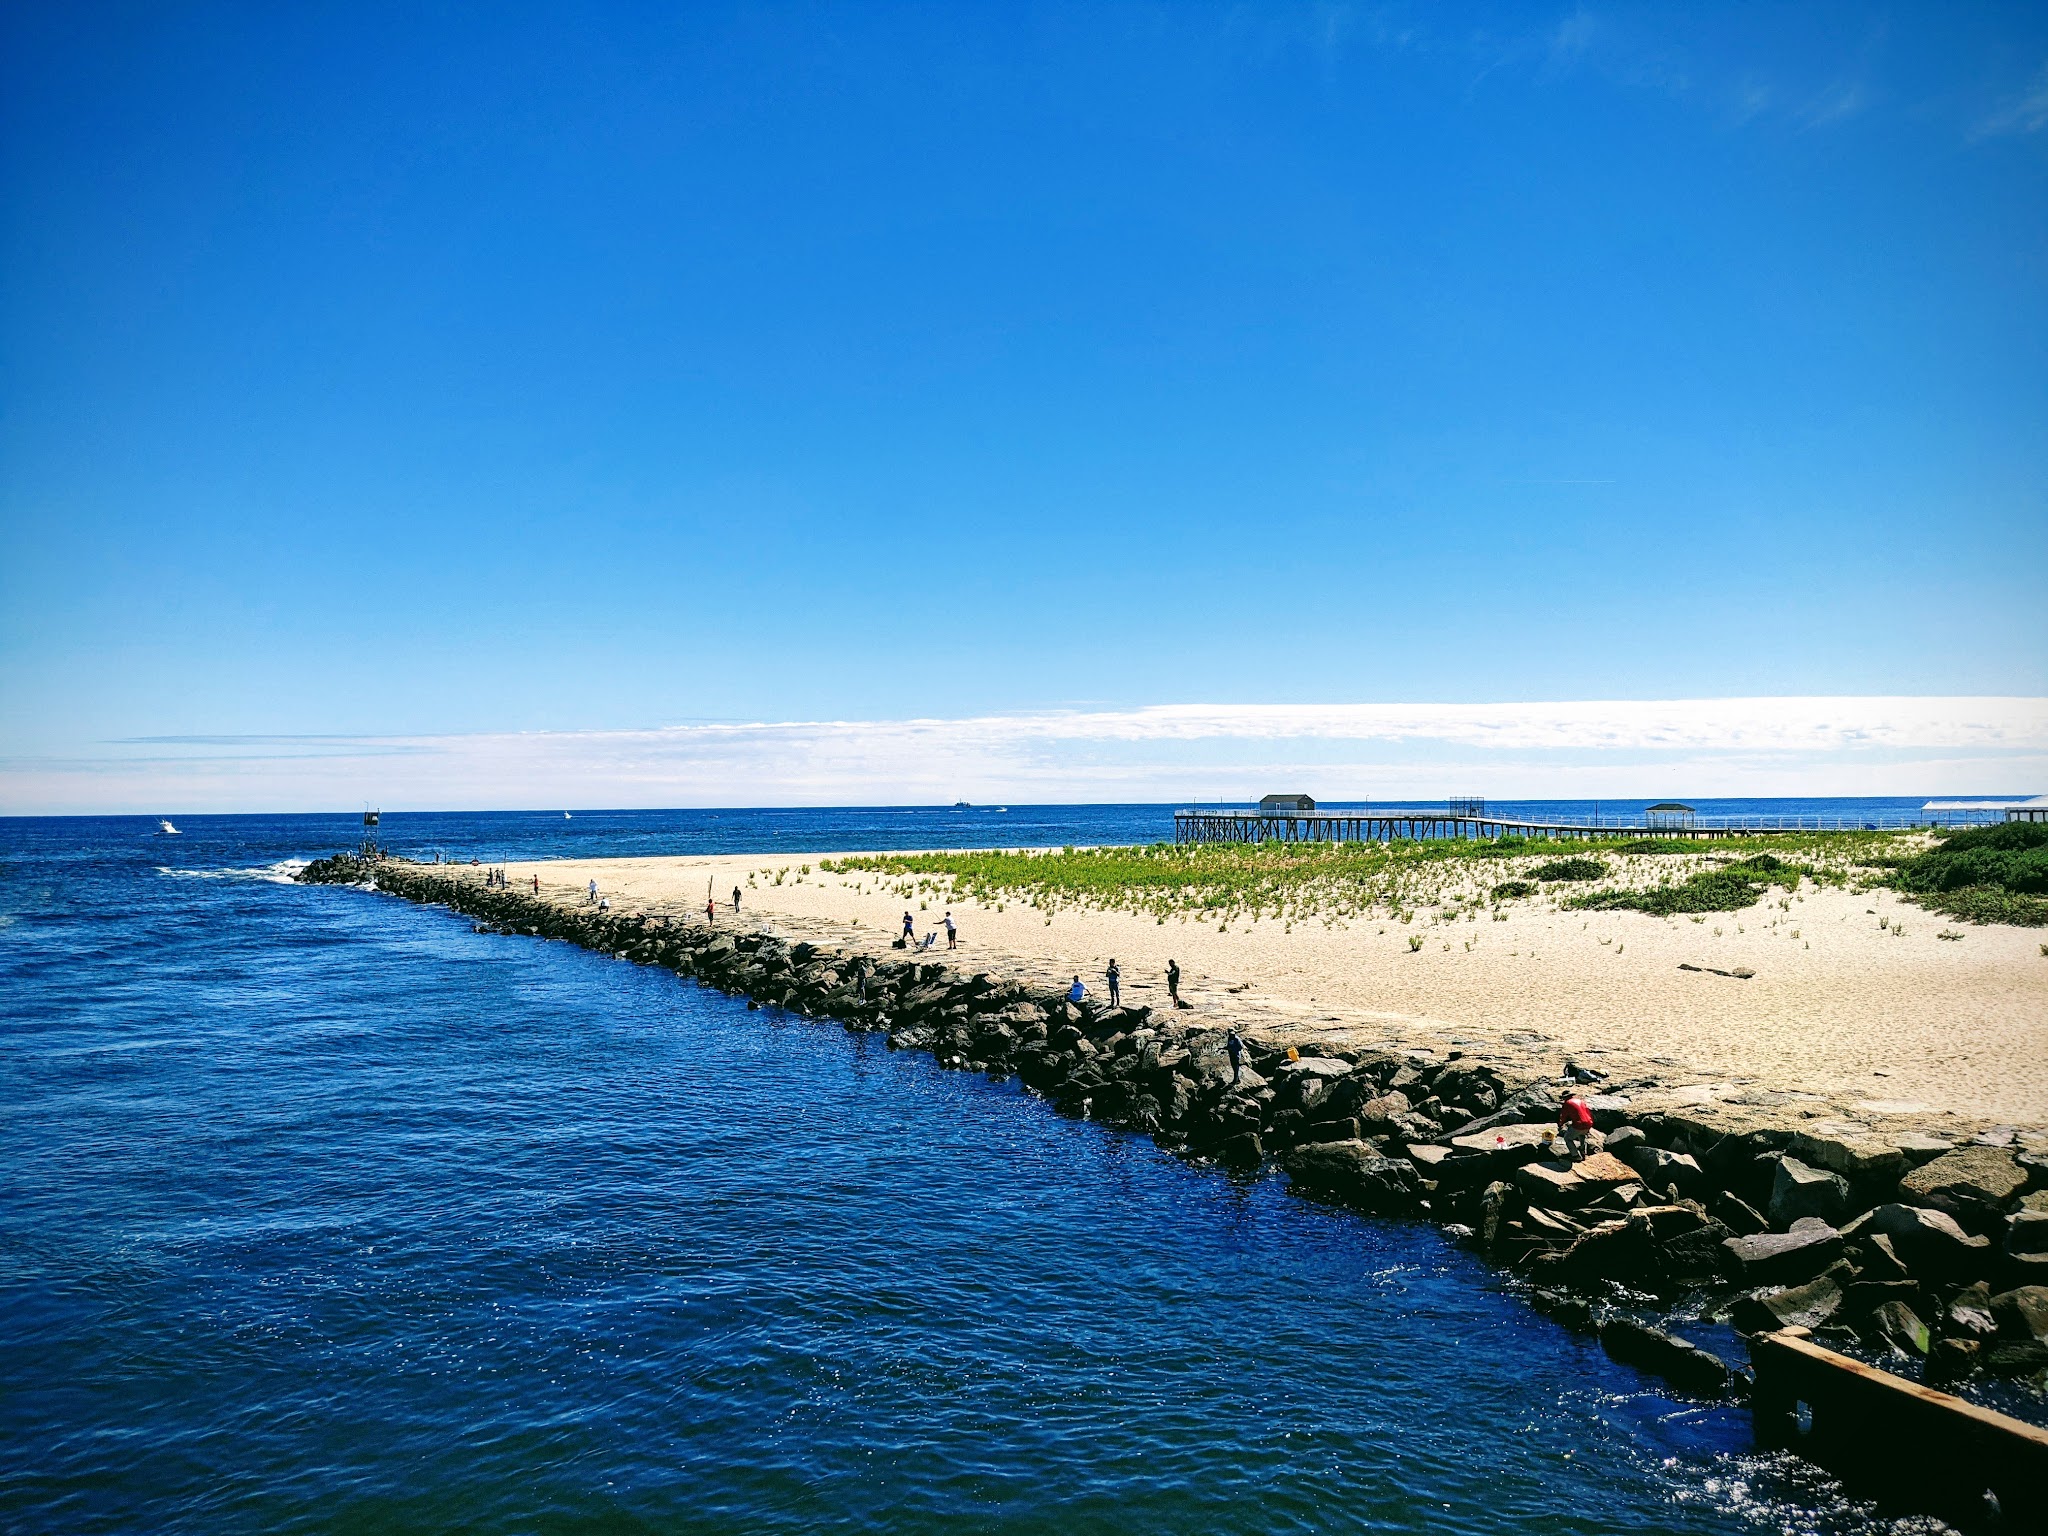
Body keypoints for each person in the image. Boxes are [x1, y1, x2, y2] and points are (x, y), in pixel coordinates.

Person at [1558, 1091, 1595, 1161]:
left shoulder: (1567, 1103)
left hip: (1579, 1124)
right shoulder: (1581, 1101)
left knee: (1567, 1138)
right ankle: (1583, 1152)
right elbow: (1588, 1112)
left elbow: (1563, 1116)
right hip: (1589, 1122)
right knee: (1582, 1135)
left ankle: (1575, 1155)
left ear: (1565, 1098)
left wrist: (1560, 1124)